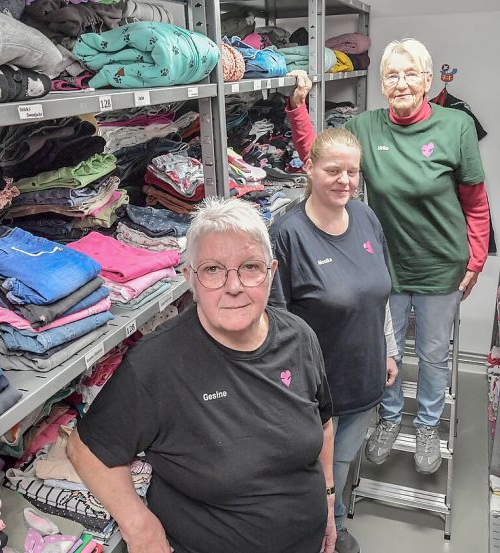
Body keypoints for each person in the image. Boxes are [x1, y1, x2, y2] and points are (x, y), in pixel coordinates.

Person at [67, 197, 338, 553]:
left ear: (271, 273)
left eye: (250, 267)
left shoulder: (299, 337)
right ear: (189, 279)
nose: (234, 285)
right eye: (213, 270)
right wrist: (139, 525)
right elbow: (86, 449)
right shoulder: (156, 363)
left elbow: (322, 423)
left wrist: (329, 500)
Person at [285, 37, 490, 475]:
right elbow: (317, 159)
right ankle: (391, 418)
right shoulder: (366, 126)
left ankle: (429, 425)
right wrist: (297, 109)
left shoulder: (457, 126)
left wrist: (475, 260)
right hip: (383, 268)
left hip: (440, 265)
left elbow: (475, 200)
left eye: (411, 73)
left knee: (434, 354)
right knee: (384, 348)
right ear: (381, 83)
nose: (401, 83)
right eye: (392, 75)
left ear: (428, 80)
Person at [269, 127, 397, 553]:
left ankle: (334, 526)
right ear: (310, 168)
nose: (345, 180)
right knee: (309, 473)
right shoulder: (288, 233)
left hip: (365, 376)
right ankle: (310, 535)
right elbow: (276, 321)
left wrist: (389, 349)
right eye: (333, 170)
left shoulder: (366, 217)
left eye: (353, 172)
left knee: (339, 467)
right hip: (313, 391)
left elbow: (379, 293)